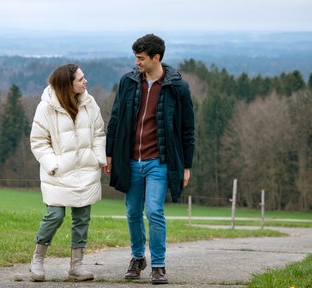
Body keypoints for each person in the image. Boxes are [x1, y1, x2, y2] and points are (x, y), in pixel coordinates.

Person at [103, 34, 195, 285]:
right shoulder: (128, 82)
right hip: (130, 160)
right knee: (132, 211)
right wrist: (109, 153)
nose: (137, 62)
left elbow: (188, 129)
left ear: (157, 57)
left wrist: (187, 165)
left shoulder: (178, 87)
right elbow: (115, 118)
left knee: (154, 211)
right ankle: (136, 258)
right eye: (135, 57)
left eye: (141, 58)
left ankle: (158, 264)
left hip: (159, 162)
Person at [29, 63, 107, 282]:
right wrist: (54, 164)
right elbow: (38, 142)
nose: (85, 81)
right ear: (67, 84)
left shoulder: (89, 103)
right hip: (59, 172)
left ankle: (77, 266)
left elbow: (99, 132)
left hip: (86, 169)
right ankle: (37, 260)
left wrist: (98, 157)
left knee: (82, 218)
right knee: (55, 215)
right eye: (80, 79)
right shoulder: (46, 108)